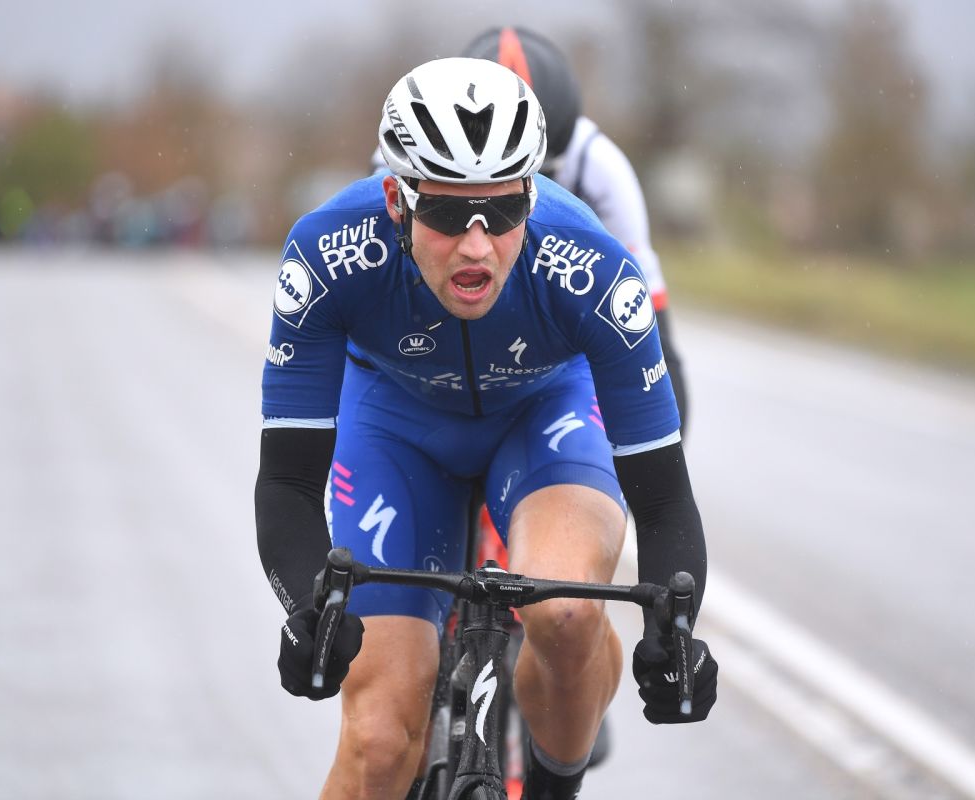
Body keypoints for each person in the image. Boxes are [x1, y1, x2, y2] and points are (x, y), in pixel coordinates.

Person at [256, 57, 715, 800]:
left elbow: (662, 498)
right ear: (396, 200)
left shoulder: (594, 267)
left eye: (501, 214)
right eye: (445, 214)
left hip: (543, 412)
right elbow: (287, 481)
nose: (476, 245)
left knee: (567, 615)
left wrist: (675, 634)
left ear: (531, 196)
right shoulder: (327, 254)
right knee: (379, 743)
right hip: (396, 426)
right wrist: (309, 608)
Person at [467, 26, 690, 428]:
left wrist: (665, 443)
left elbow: (648, 325)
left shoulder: (601, 165)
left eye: (537, 175)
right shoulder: (408, 145)